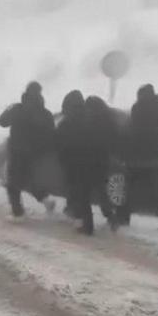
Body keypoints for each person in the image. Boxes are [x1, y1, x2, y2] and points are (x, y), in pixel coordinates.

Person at [117, 84, 158, 233]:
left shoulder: (138, 109)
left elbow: (130, 133)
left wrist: (126, 153)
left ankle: (122, 218)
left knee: (128, 190)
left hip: (138, 159)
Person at [0, 81, 57, 221]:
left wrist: (9, 110)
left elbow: (1, 122)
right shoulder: (45, 112)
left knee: (12, 183)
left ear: (26, 92)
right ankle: (46, 200)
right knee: (28, 179)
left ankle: (18, 214)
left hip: (17, 151)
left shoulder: (17, 109)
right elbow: (52, 134)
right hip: (36, 154)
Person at [70, 96, 119, 235]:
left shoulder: (84, 120)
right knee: (101, 191)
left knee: (84, 195)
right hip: (102, 161)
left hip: (85, 161)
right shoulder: (108, 120)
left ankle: (88, 226)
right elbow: (114, 140)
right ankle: (111, 217)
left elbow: (78, 140)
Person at [56, 90, 85, 219]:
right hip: (86, 157)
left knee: (72, 184)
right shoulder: (88, 118)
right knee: (81, 185)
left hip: (70, 158)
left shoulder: (65, 123)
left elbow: (56, 139)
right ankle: (76, 210)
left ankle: (74, 210)